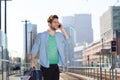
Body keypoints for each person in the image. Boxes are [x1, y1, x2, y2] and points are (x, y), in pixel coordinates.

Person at [30, 15, 70, 80]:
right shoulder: (41, 35)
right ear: (49, 24)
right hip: (45, 66)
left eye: (57, 22)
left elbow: (68, 39)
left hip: (56, 66)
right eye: (54, 22)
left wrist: (62, 29)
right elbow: (35, 48)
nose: (57, 23)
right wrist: (32, 61)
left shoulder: (59, 35)